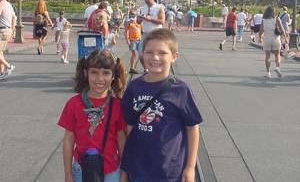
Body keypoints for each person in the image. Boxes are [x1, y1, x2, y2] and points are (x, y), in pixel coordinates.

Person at [121, 28, 203, 181]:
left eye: (162, 53)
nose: (155, 57)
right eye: (149, 52)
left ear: (174, 56)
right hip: (140, 167)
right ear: (142, 54)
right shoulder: (134, 87)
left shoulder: (181, 89)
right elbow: (129, 127)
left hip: (171, 169)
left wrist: (190, 167)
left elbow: (192, 127)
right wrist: (126, 168)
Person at [58, 49, 128, 182]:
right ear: (85, 73)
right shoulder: (74, 104)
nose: (100, 78)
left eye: (106, 73)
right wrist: (68, 174)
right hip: (82, 169)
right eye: (94, 72)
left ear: (113, 75)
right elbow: (68, 140)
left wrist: (124, 174)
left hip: (112, 171)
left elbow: (121, 140)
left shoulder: (117, 105)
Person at [137, 0, 165, 72]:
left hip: (156, 34)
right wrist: (139, 20)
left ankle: (158, 70)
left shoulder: (159, 8)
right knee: (141, 55)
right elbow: (139, 22)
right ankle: (146, 69)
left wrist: (150, 19)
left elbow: (162, 21)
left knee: (156, 54)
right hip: (145, 34)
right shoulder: (142, 9)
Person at [259, 6, 287, 78]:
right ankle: (277, 67)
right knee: (277, 54)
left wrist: (260, 38)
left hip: (267, 38)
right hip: (276, 38)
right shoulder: (277, 18)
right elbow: (282, 28)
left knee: (267, 56)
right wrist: (285, 37)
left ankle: (268, 72)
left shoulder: (264, 19)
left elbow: (261, 30)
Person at [0, 0, 16, 80]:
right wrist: (12, 29)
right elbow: (14, 17)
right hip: (8, 29)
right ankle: (1, 72)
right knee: (0, 52)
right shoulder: (9, 5)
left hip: (2, 30)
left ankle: (9, 66)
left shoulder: (1, 4)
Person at [124, 10, 142, 74]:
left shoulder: (139, 22)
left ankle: (146, 68)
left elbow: (141, 30)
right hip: (132, 40)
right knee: (134, 53)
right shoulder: (128, 23)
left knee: (141, 54)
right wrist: (127, 39)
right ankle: (132, 67)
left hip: (139, 39)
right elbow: (126, 31)